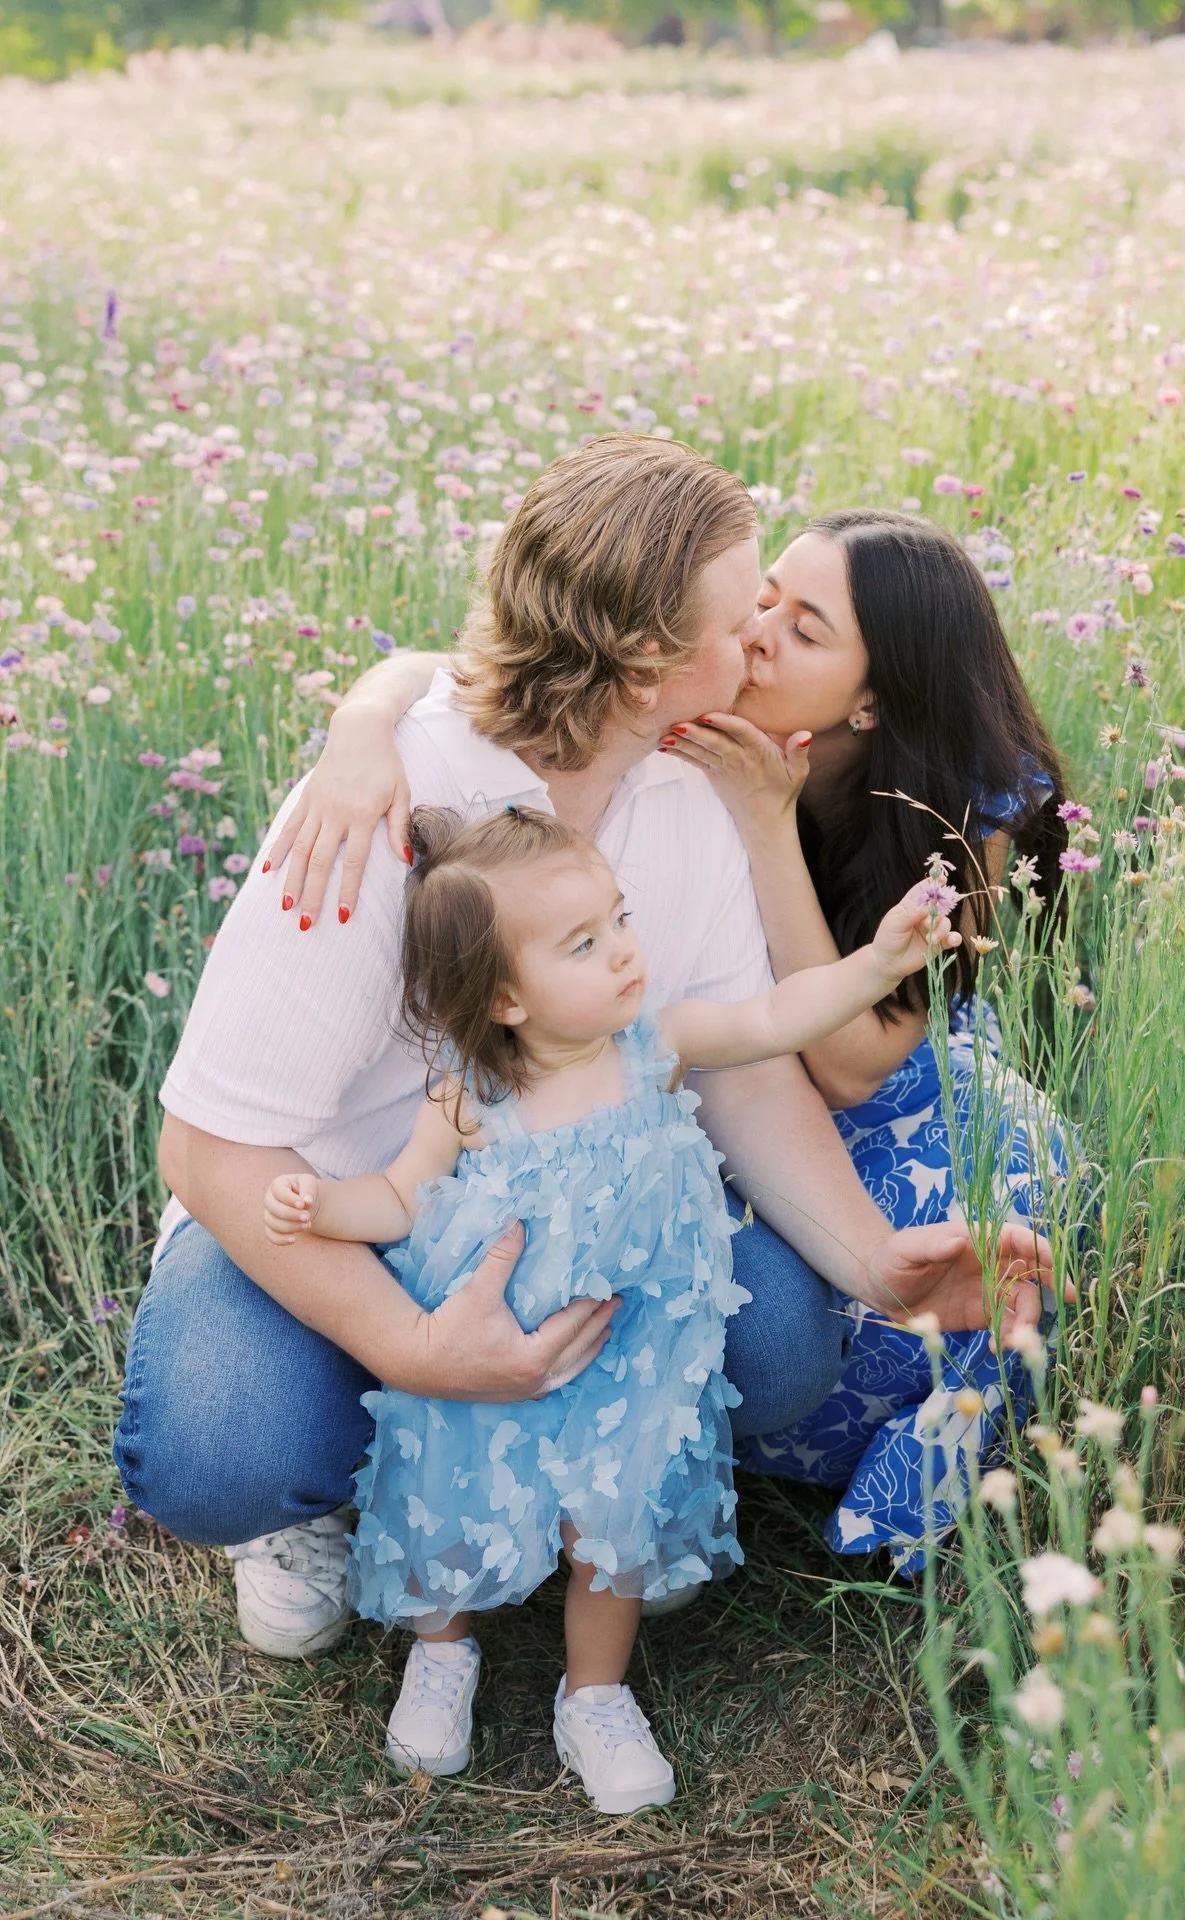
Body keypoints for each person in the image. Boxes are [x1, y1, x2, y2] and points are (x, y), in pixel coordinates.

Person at [115, 440, 1052, 1670]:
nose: (762, 636)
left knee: (779, 1348)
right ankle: (330, 1495)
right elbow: (210, 1142)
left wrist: (879, 1265)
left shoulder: (691, 780)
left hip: (565, 1200)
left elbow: (735, 1064)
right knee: (218, 1447)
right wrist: (411, 1345)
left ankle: (562, 1477)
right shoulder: (391, 796)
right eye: (745, 613)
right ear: (648, 660)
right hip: (343, 1205)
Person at [279, 505, 1079, 1573]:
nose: (759, 633)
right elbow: (474, 670)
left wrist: (762, 822)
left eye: (805, 630)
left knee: (898, 1285)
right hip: (678, 1073)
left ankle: (706, 1462)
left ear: (874, 694)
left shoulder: (948, 809)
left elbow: (844, 1068)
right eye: (767, 599)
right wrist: (360, 722)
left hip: (842, 1094)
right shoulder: (682, 699)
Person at [260, 802, 959, 1803]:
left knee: (615, 1528)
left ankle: (592, 1695)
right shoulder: (468, 1094)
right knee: (456, 1501)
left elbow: (773, 1018)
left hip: (630, 1360)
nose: (627, 954)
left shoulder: (656, 1045)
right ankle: (443, 1652)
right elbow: (402, 1196)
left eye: (621, 921)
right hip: (483, 1349)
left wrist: (879, 966)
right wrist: (319, 1204)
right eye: (585, 945)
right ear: (505, 998)